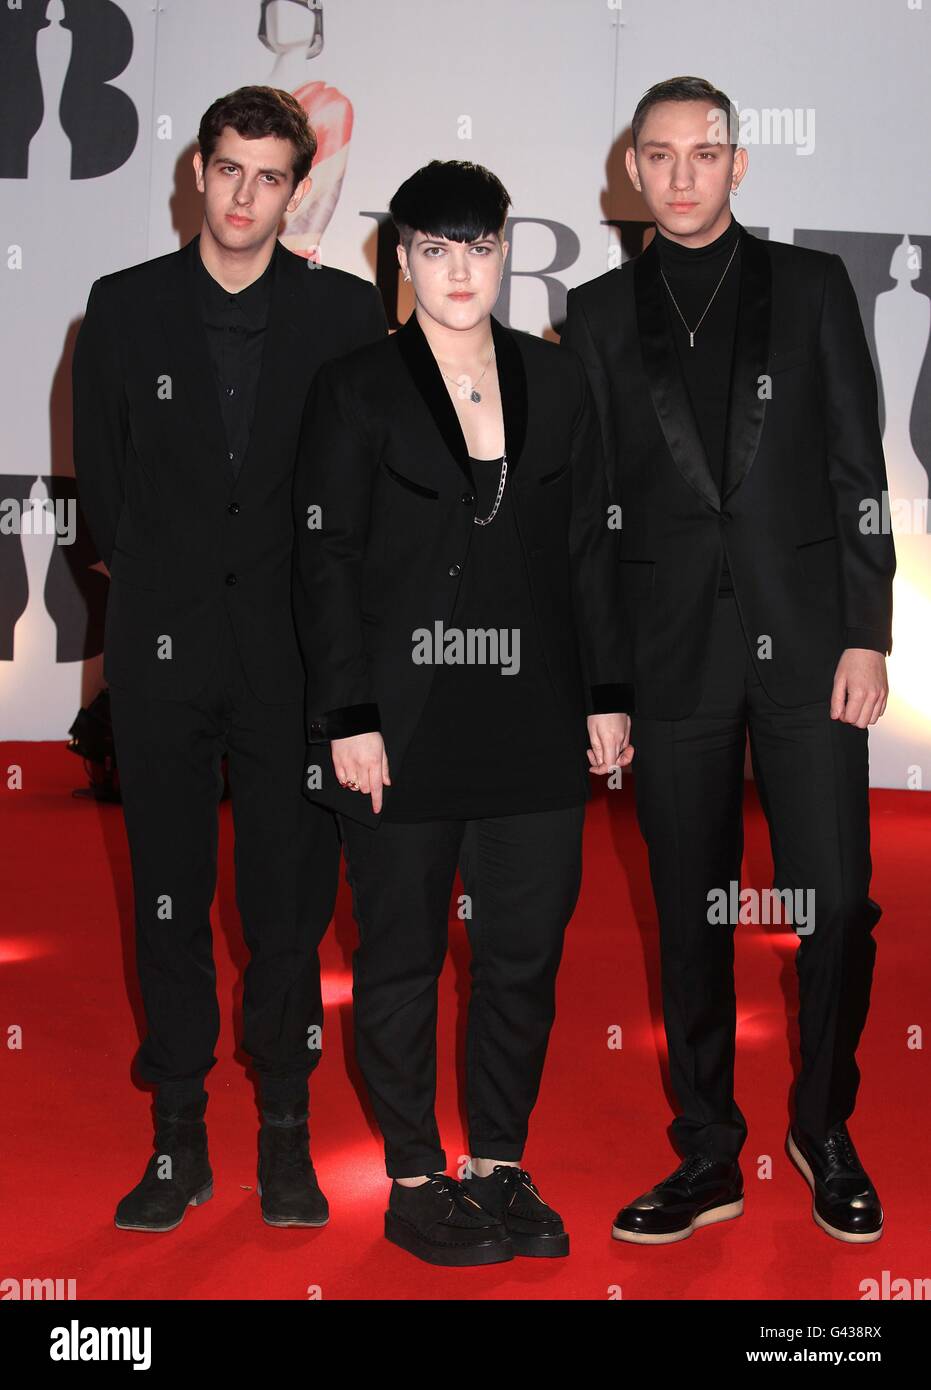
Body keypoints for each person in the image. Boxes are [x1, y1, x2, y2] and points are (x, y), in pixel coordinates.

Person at [563, 76, 896, 1246]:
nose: (683, 172)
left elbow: (859, 470)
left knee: (841, 902)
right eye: (660, 155)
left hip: (811, 648)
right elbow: (589, 518)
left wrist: (868, 628)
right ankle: (707, 1147)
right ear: (633, 171)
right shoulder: (598, 316)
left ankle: (820, 1123)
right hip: (669, 661)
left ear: (738, 165)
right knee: (687, 908)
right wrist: (605, 690)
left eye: (705, 152)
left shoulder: (808, 287)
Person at [292, 159, 632, 1265]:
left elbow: (589, 548)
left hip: (532, 718)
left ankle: (496, 1162)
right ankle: (410, 1171)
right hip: (402, 721)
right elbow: (327, 558)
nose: (458, 270)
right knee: (397, 957)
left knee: (521, 955)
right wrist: (347, 713)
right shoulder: (356, 386)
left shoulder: (558, 377)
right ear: (401, 259)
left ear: (504, 252)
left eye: (477, 246)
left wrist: (606, 696)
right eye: (433, 249)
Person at [72, 85, 387, 1233]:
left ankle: (287, 1133)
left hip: (293, 664)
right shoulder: (123, 308)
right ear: (196, 174)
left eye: (269, 175)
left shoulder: (346, 316)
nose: (245, 195)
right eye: (228, 170)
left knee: (287, 912)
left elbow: (358, 490)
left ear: (297, 189)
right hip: (163, 661)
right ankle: (178, 1140)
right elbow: (102, 491)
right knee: (165, 899)